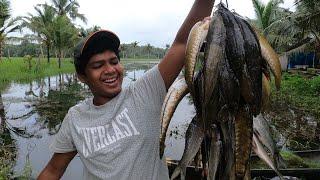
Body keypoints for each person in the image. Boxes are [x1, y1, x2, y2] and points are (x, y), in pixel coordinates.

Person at [37, 0, 214, 179]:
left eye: (114, 61)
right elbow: (53, 170)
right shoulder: (76, 117)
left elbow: (182, 43)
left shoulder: (145, 92)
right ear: (82, 76)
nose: (110, 70)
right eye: (98, 65)